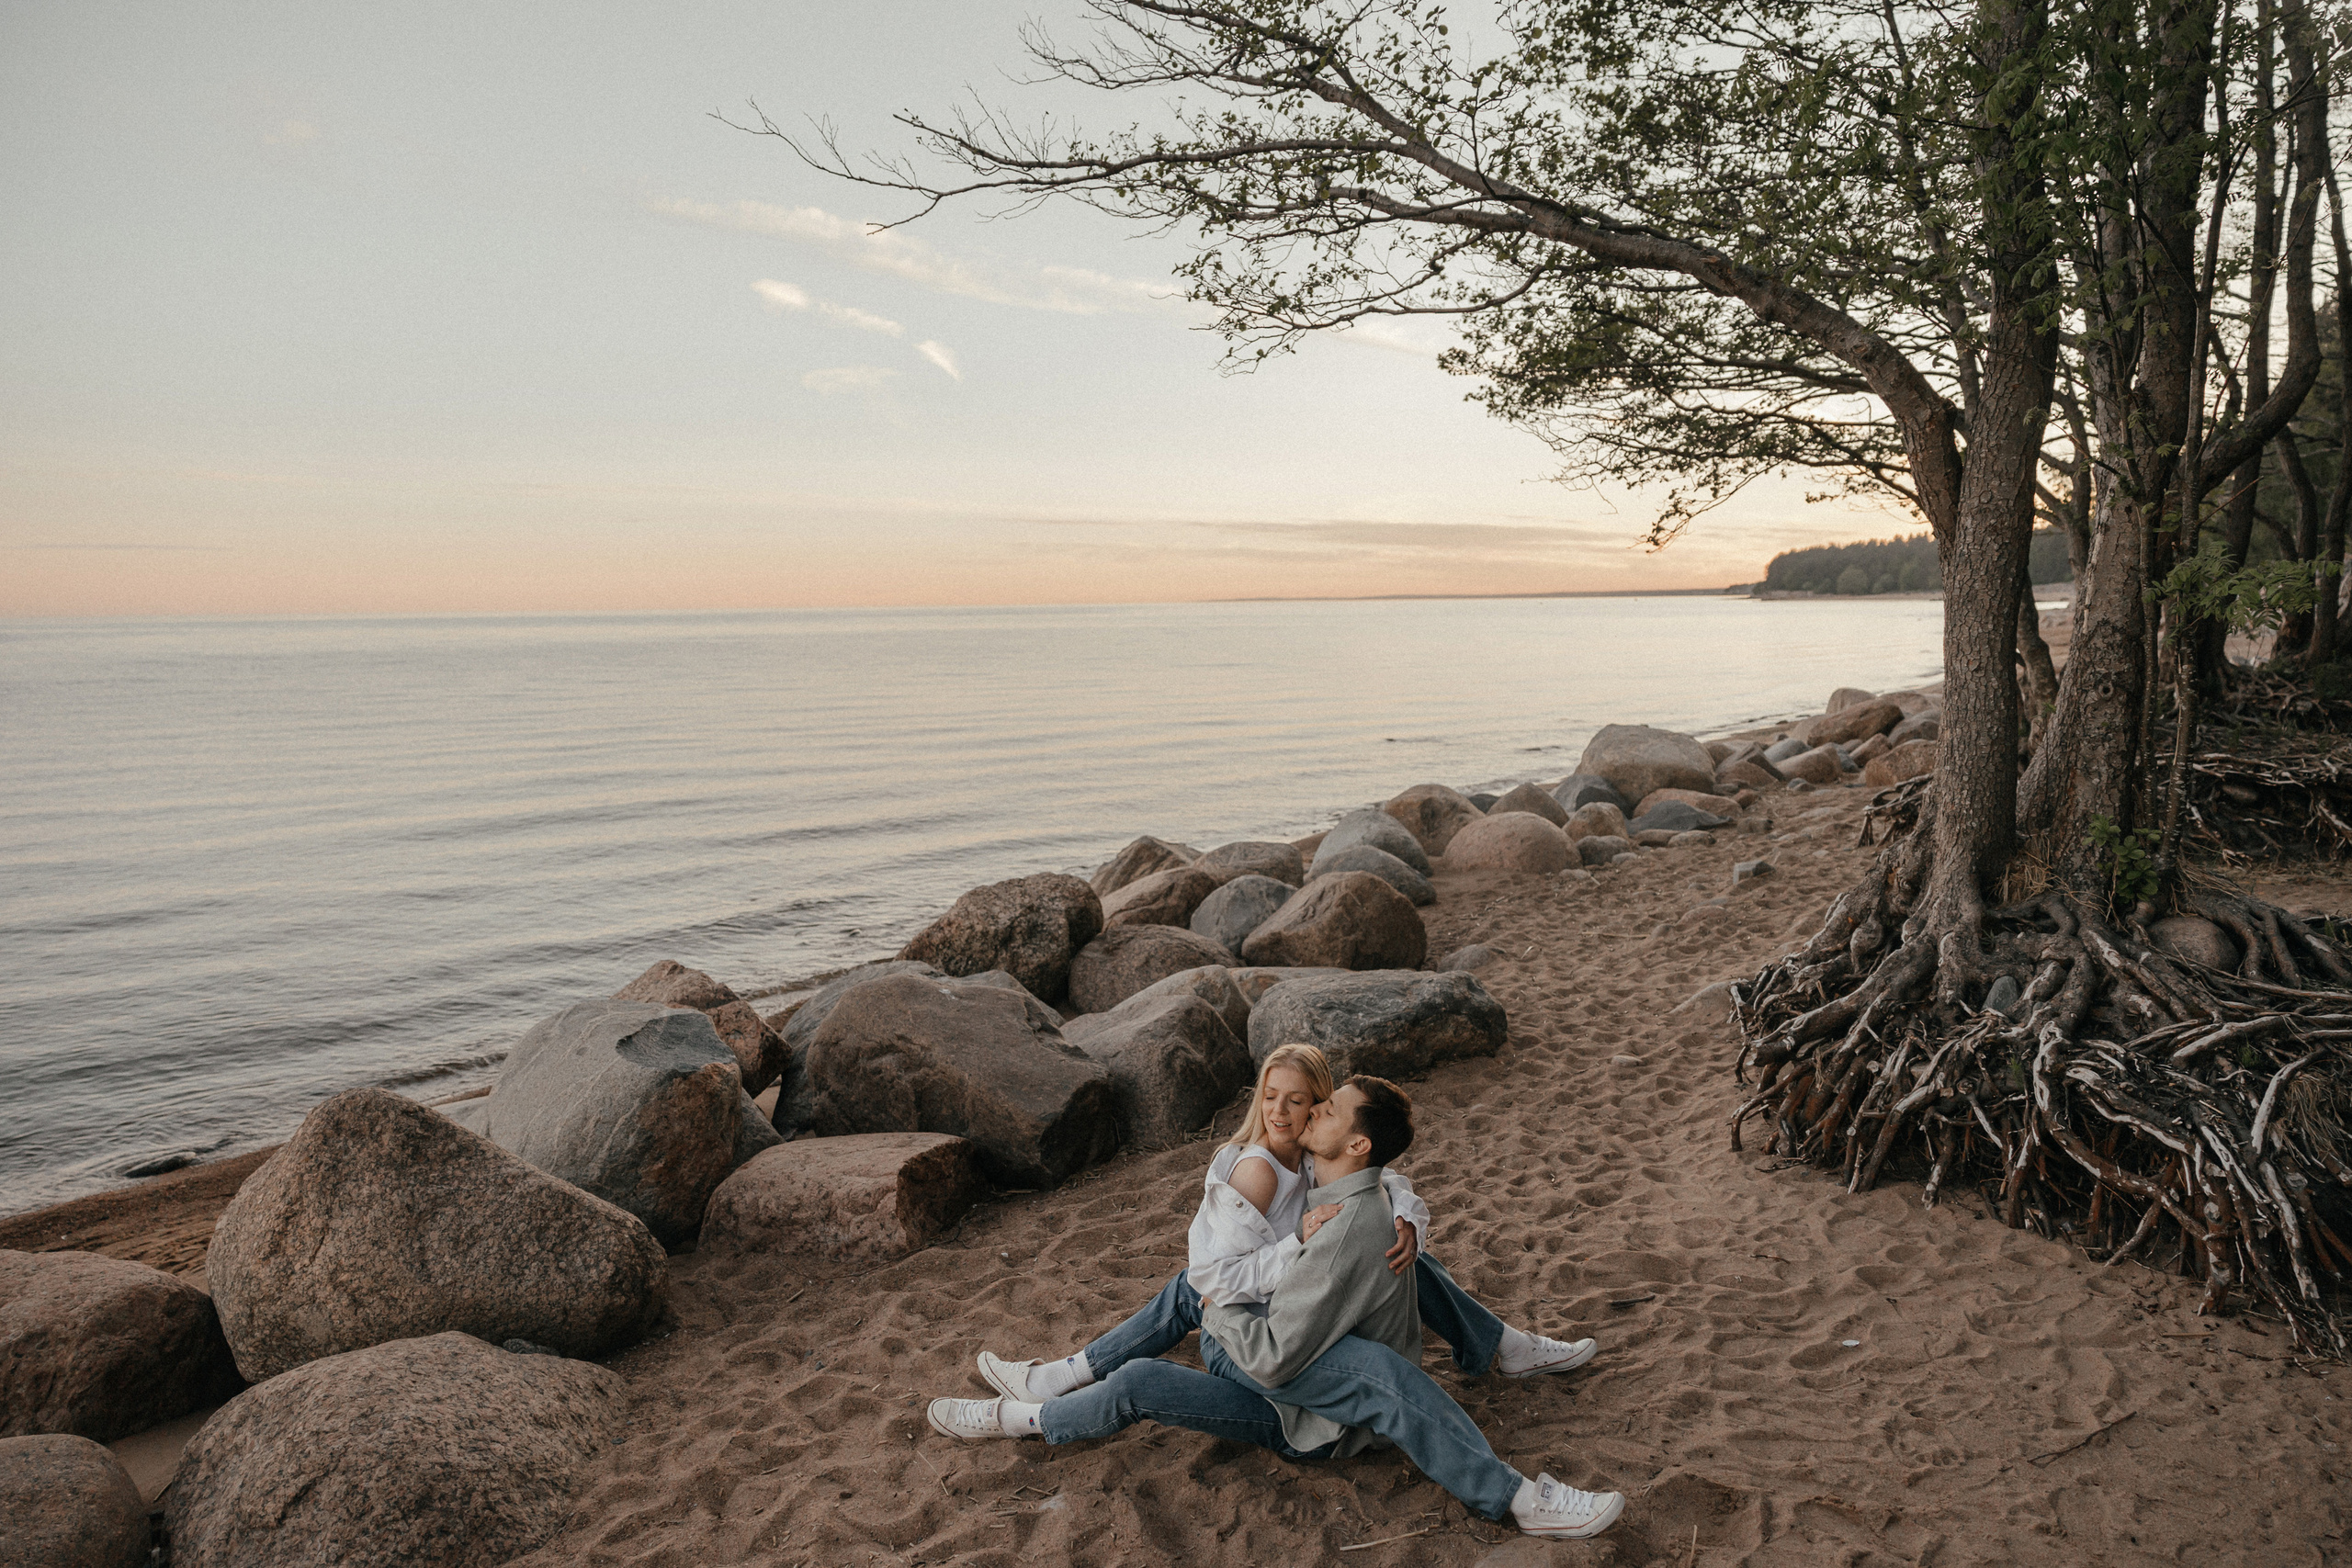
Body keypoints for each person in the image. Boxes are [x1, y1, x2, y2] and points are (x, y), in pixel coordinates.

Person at [925, 1076, 1625, 1540]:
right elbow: (1389, 1177)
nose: (1310, 1111)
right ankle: (1054, 1379)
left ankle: (1017, 1417)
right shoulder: (1349, 1186)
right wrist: (1405, 1211)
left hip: (1304, 1415)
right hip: (1297, 1356)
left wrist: (1216, 1307)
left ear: (1356, 1142)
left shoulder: (1351, 1228)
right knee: (1211, 1288)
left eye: (1324, 1107)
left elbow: (1272, 1357)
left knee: (1164, 1362)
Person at [967, 1043, 1592, 1409]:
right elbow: (1213, 1278)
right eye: (1270, 1096)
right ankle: (1070, 1372)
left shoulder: (1317, 1155)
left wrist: (1407, 1216)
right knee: (1185, 1291)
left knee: (1406, 1252)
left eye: (1297, 1100)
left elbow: (1383, 1178)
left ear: (1321, 1107)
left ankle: (1501, 1344)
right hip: (1258, 1306)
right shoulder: (1259, 1173)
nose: (1280, 1111)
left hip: (1292, 1295)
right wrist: (1297, 1244)